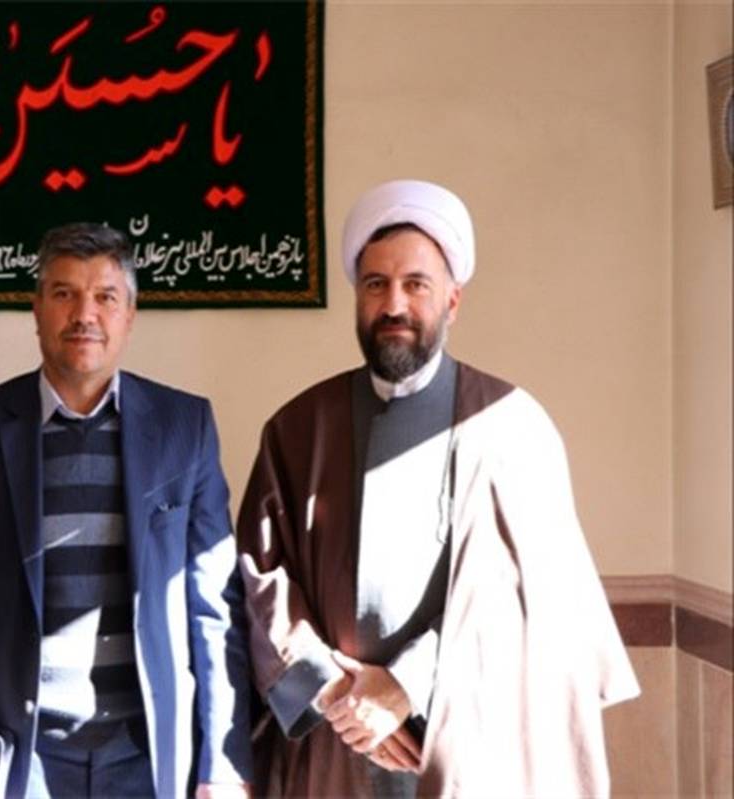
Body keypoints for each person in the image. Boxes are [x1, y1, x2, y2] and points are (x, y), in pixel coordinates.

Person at [236, 180, 639, 797]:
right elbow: (261, 577)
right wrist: (336, 692)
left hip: (474, 743)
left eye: (416, 284)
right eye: (376, 284)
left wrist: (407, 683)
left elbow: (539, 599)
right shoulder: (298, 429)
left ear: (452, 300)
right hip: (334, 740)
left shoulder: (512, 425)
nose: (394, 304)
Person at [0, 223, 252, 798]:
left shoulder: (184, 427)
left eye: (105, 297)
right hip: (22, 756)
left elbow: (213, 610)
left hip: (146, 756)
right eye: (64, 294)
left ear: (130, 315)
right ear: (36, 309)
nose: (84, 314)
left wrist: (222, 763)